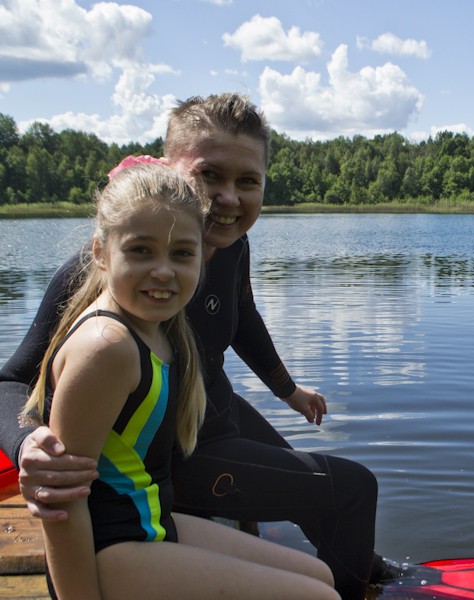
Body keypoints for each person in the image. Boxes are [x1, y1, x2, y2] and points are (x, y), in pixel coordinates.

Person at [0, 93, 396, 600]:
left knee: (332, 493)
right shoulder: (111, 274)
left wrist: (288, 390)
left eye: (247, 180)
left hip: (204, 415)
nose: (228, 198)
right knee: (350, 488)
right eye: (210, 176)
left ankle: (359, 571)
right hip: (169, 459)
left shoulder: (231, 245)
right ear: (169, 172)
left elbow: (244, 319)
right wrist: (27, 444)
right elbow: (14, 381)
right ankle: (350, 584)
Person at [21, 163, 339, 599]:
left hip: (149, 524)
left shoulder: (166, 330)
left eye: (182, 253)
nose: (164, 271)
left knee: (321, 578)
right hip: (107, 548)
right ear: (100, 251)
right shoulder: (106, 346)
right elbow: (61, 498)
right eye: (140, 250)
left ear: (203, 255)